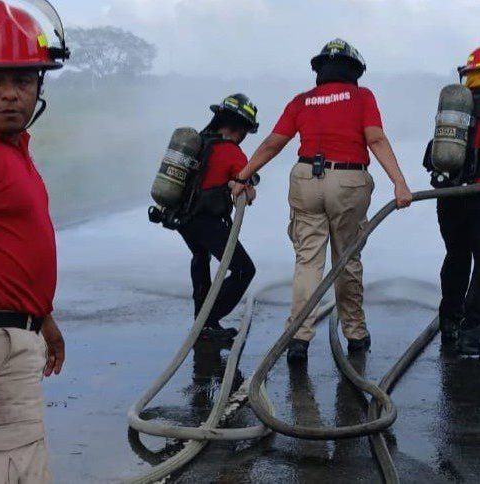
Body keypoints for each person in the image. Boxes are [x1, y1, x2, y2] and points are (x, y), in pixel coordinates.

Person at [232, 39, 412, 365]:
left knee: (307, 262)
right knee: (347, 258)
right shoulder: (362, 97)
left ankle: (298, 338)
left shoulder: (302, 101)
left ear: (319, 70)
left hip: (305, 178)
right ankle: (355, 334)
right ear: (354, 70)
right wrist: (399, 182)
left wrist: (243, 176)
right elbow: (375, 138)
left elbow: (273, 143)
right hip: (348, 181)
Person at [0, 0, 70, 481]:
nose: (10, 94)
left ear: (39, 84)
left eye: (23, 80)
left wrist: (42, 318)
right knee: (15, 471)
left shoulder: (4, 146)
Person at [178, 94, 258, 341]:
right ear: (241, 129)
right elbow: (248, 190)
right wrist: (249, 186)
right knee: (244, 270)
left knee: (200, 256)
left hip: (183, 219)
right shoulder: (231, 151)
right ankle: (207, 321)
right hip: (206, 220)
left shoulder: (199, 142)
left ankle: (203, 322)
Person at [424, 47, 480, 354]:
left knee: (456, 256)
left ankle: (449, 323)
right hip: (476, 196)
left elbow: (432, 156)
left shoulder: (454, 110)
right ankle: (473, 333)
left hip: (448, 196)